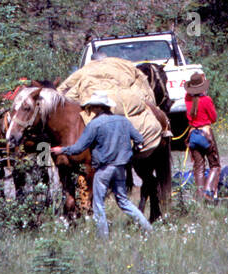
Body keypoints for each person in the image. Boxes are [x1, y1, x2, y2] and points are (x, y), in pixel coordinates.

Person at [51, 92, 152, 237]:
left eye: (92, 107)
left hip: (104, 169)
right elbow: (139, 139)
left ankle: (103, 237)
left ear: (99, 107)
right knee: (123, 201)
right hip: (121, 168)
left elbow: (79, 148)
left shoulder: (94, 124)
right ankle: (147, 228)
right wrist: (135, 148)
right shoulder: (123, 121)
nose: (91, 110)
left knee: (98, 204)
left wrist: (62, 149)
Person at [183, 72, 221, 200]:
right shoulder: (206, 100)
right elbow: (214, 118)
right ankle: (208, 192)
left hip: (193, 134)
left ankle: (199, 196)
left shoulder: (187, 98)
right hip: (206, 135)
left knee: (198, 167)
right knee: (215, 165)